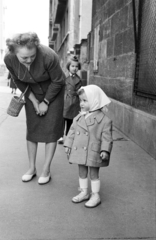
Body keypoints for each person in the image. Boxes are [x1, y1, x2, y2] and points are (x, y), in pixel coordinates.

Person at [4, 32, 65, 184]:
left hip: (53, 91)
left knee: (51, 129)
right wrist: (34, 101)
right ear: (14, 52)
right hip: (31, 92)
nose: (29, 60)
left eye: (32, 56)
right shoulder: (9, 59)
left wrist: (46, 101)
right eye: (24, 58)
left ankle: (46, 169)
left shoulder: (49, 56)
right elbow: (18, 80)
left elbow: (58, 81)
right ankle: (32, 168)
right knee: (33, 128)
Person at [64, 85, 113, 208]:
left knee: (94, 173)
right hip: (80, 150)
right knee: (82, 171)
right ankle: (84, 192)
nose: (81, 103)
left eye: (85, 100)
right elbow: (72, 132)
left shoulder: (104, 120)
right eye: (81, 100)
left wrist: (105, 150)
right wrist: (68, 145)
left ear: (95, 100)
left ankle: (95, 195)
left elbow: (107, 138)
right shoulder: (79, 117)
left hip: (93, 151)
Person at [58, 55, 82, 144]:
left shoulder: (78, 79)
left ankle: (68, 136)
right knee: (62, 119)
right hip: (64, 100)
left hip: (74, 102)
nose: (74, 68)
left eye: (76, 66)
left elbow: (79, 91)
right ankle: (60, 136)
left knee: (70, 120)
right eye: (72, 66)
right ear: (68, 67)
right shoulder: (64, 77)